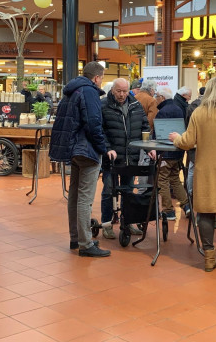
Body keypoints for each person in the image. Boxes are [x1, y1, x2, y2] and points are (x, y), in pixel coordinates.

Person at [169, 77, 216, 272]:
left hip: (206, 169)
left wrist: (177, 138)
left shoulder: (199, 113)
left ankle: (209, 257)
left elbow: (187, 142)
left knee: (206, 211)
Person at [49, 62, 111, 257]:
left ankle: (76, 237)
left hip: (73, 149)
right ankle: (86, 243)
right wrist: (103, 148)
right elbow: (94, 123)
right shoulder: (90, 91)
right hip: (87, 150)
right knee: (85, 198)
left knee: (75, 195)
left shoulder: (71, 90)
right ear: (97, 78)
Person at [100, 78, 154, 238]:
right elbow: (100, 132)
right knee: (109, 191)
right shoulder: (103, 106)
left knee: (129, 191)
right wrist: (108, 149)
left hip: (131, 157)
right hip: (111, 159)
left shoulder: (135, 105)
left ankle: (128, 222)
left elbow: (144, 127)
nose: (122, 94)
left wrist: (148, 147)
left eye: (125, 91)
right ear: (112, 90)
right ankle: (106, 224)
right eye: (119, 91)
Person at [155, 87, 189, 221]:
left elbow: (159, 133)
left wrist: (157, 152)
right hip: (177, 151)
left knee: (162, 179)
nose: (156, 98)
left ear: (162, 98)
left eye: (157, 96)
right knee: (175, 178)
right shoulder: (178, 108)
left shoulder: (162, 111)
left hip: (166, 152)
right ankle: (186, 205)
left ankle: (168, 210)